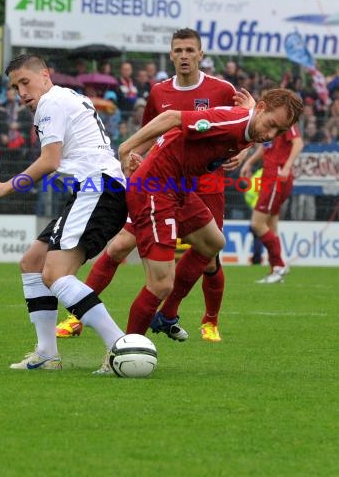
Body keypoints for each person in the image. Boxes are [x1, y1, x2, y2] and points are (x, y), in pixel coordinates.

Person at [56, 28, 244, 344]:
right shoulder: (159, 93)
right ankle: (77, 315)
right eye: (178, 50)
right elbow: (149, 133)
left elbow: (244, 125)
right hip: (163, 183)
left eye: (189, 50)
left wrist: (241, 153)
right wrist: (133, 156)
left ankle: (194, 317)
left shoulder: (223, 89)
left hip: (206, 184)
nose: (184, 56)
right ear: (171, 55)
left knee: (209, 254)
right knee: (118, 246)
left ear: (201, 55)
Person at [0, 54, 128, 370]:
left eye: (25, 82)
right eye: (15, 86)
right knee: (32, 262)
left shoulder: (50, 102)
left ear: (45, 75)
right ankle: (47, 354)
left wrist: (6, 186)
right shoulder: (66, 96)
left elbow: (49, 160)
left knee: (55, 274)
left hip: (97, 188)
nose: (21, 92)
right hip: (95, 189)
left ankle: (121, 346)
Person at [118, 88, 303, 336]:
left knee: (213, 242)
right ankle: (125, 349)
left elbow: (247, 118)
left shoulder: (251, 123)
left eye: (279, 131)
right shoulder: (233, 123)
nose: (270, 135)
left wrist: (250, 111)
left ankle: (166, 314)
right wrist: (127, 147)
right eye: (271, 125)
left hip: (178, 189)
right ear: (260, 109)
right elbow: (172, 117)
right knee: (160, 283)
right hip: (155, 188)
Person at [240, 124, 304, 283]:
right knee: (271, 225)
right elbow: (265, 148)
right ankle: (275, 272)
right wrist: (249, 162)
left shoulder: (287, 120)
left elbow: (298, 143)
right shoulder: (272, 123)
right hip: (270, 177)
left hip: (277, 177)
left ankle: (279, 266)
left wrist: (287, 167)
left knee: (257, 224)